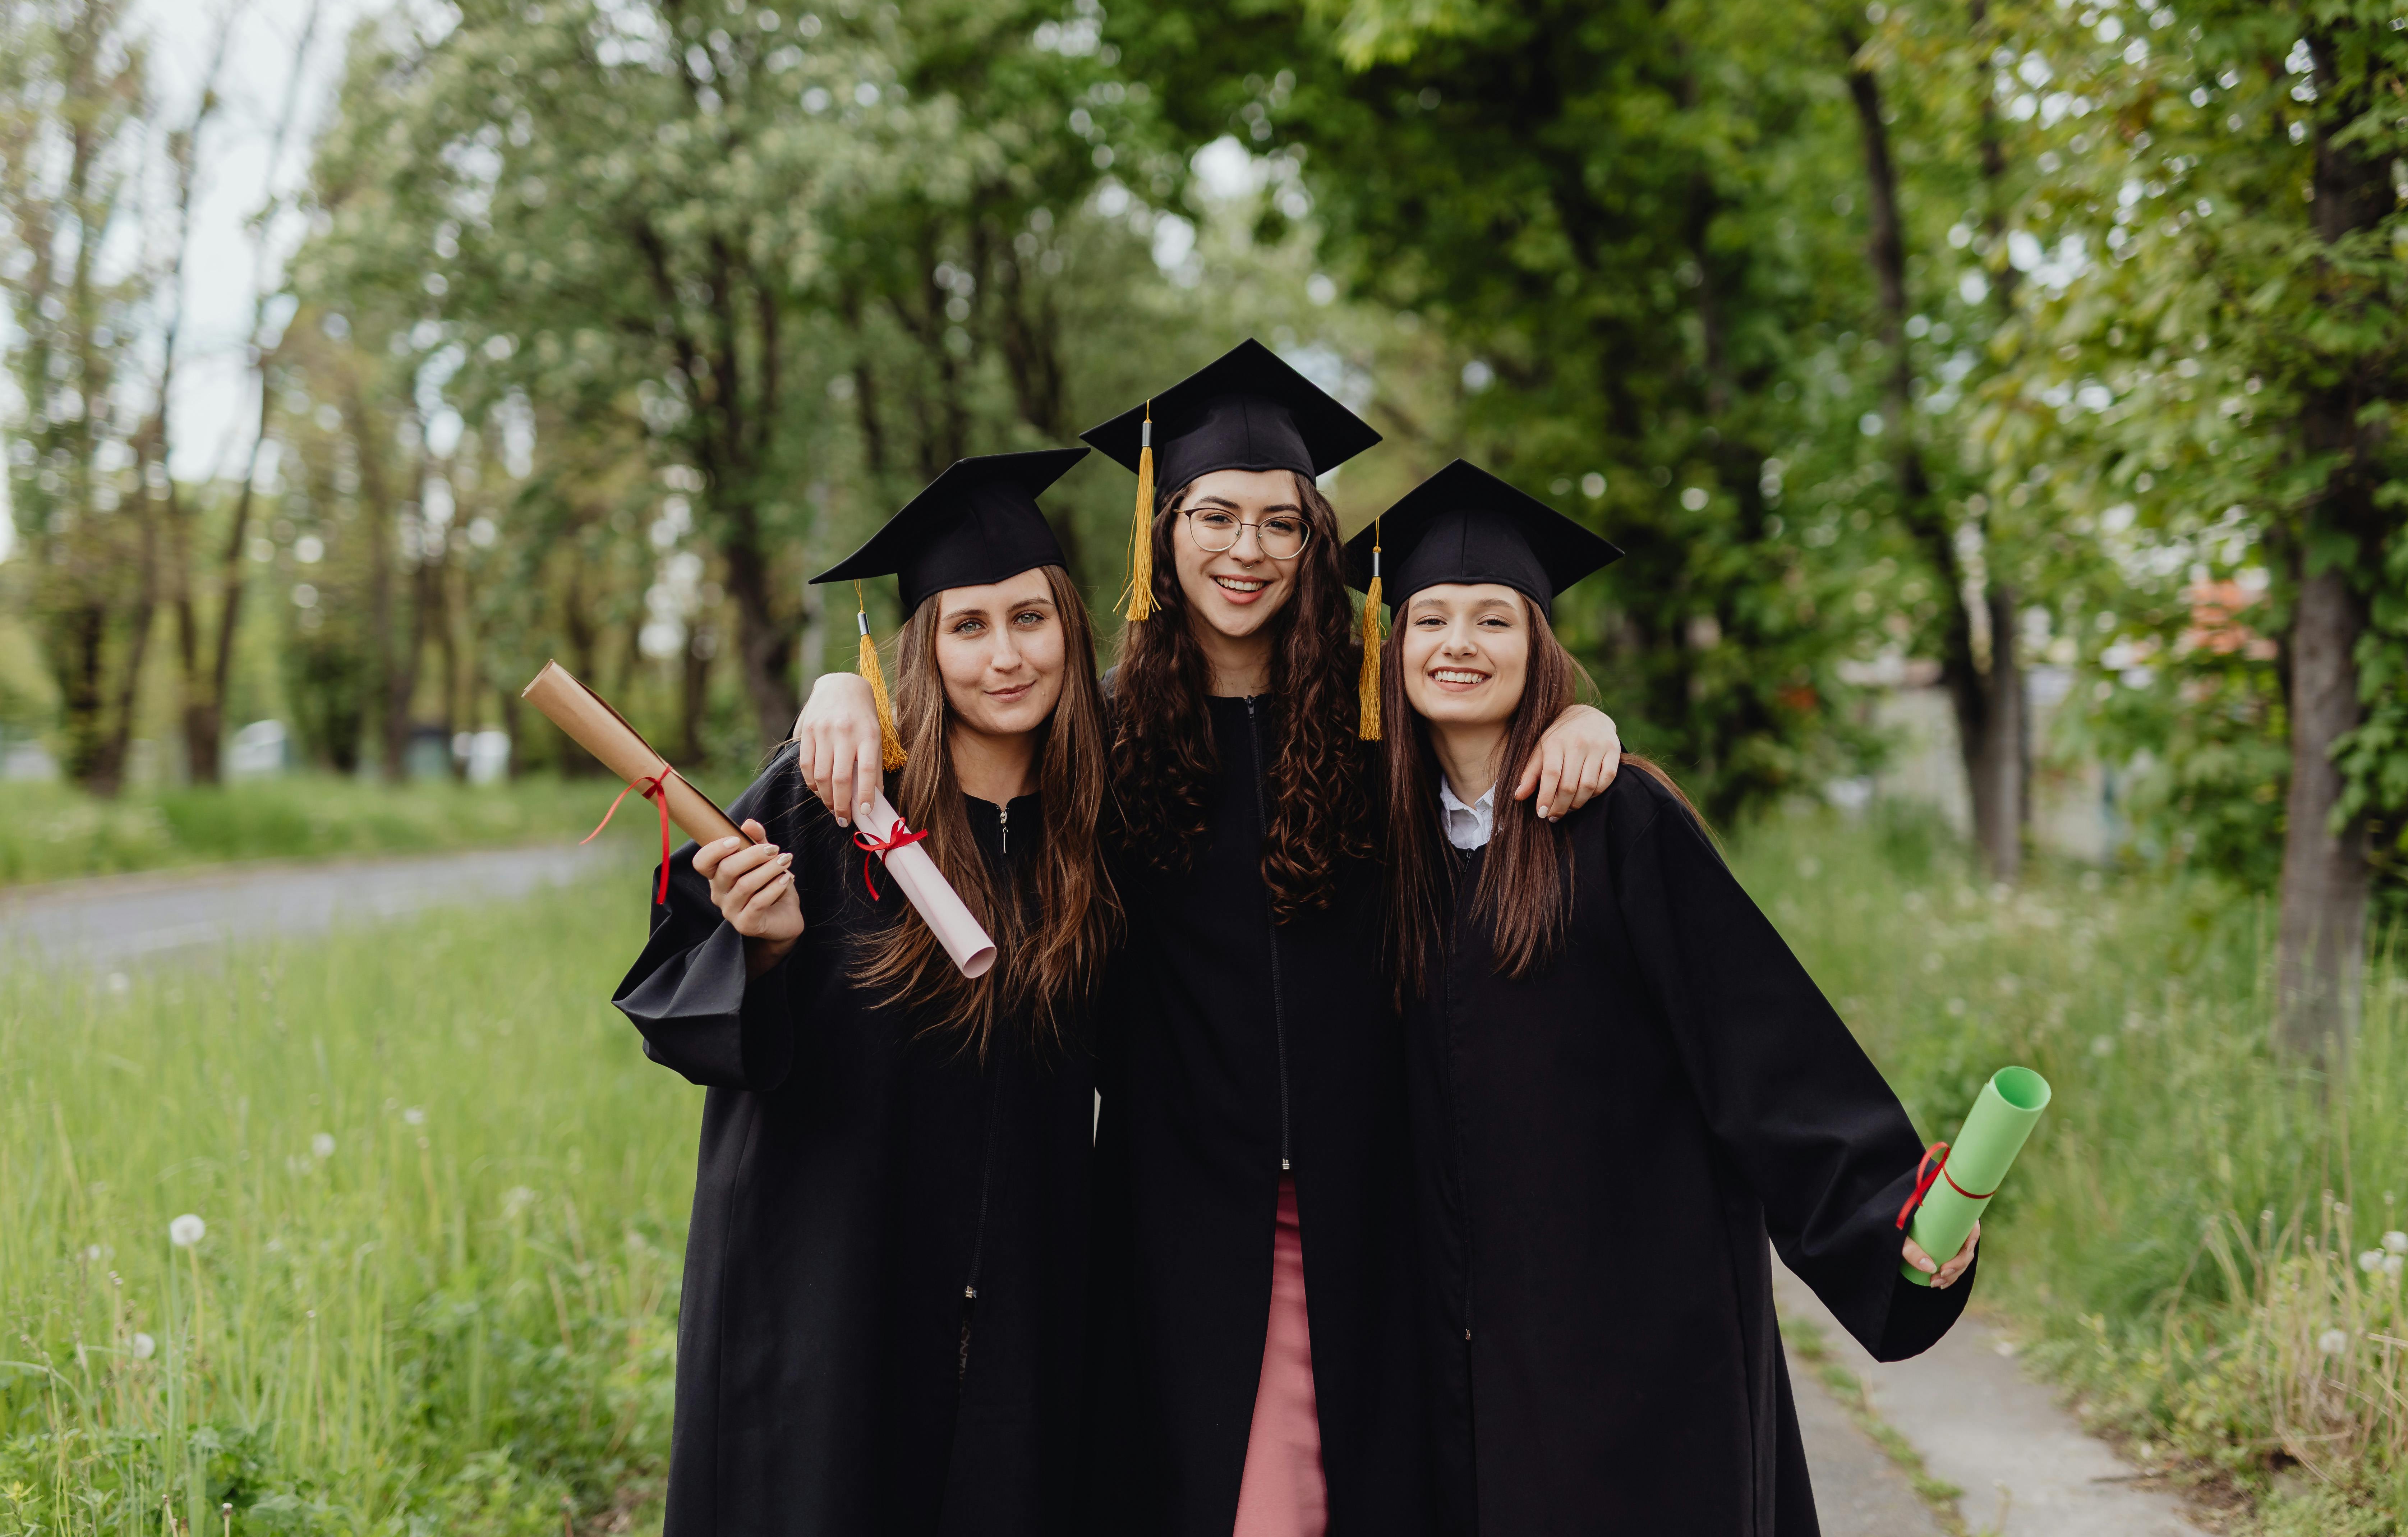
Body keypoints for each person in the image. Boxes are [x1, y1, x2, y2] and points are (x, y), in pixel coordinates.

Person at [793, 343, 1626, 1536]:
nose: (1247, 551)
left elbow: (1499, 721)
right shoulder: (1099, 726)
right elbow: (963, 734)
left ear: (1316, 543)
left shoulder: (1377, 709)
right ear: (1160, 528)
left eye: (1282, 525)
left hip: (1371, 1190)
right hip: (1172, 1200)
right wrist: (842, 693)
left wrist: (1584, 714)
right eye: (1215, 517)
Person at [1345, 460, 1980, 1537]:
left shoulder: (1620, 822)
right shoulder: (1374, 845)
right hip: (1445, 1336)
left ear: (1540, 646)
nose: (1458, 645)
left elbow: (1761, 1047)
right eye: (1430, 620)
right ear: (1392, 647)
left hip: (1635, 1324)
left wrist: (1887, 1225)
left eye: (1494, 620)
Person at [612, 449, 1120, 1537]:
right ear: (924, 648)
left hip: (1021, 1286)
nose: (1005, 656)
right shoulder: (829, 795)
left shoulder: (1103, 816)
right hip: (826, 1279)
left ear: (1072, 633)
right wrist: (762, 947)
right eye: (968, 626)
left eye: (1029, 619)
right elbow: (674, 1004)